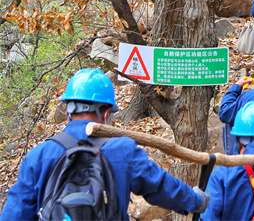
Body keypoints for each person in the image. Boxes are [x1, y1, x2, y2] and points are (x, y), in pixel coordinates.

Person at [2, 69, 209, 221]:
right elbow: (161, 187)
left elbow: (14, 214)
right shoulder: (123, 150)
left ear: (67, 112)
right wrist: (196, 201)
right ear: (107, 112)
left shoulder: (39, 155)